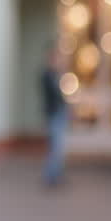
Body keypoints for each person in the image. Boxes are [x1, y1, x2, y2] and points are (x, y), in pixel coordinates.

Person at [40, 45, 69, 187]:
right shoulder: (47, 75)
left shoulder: (55, 76)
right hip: (53, 114)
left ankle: (54, 175)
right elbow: (52, 96)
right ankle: (50, 176)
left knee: (57, 147)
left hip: (58, 113)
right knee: (55, 147)